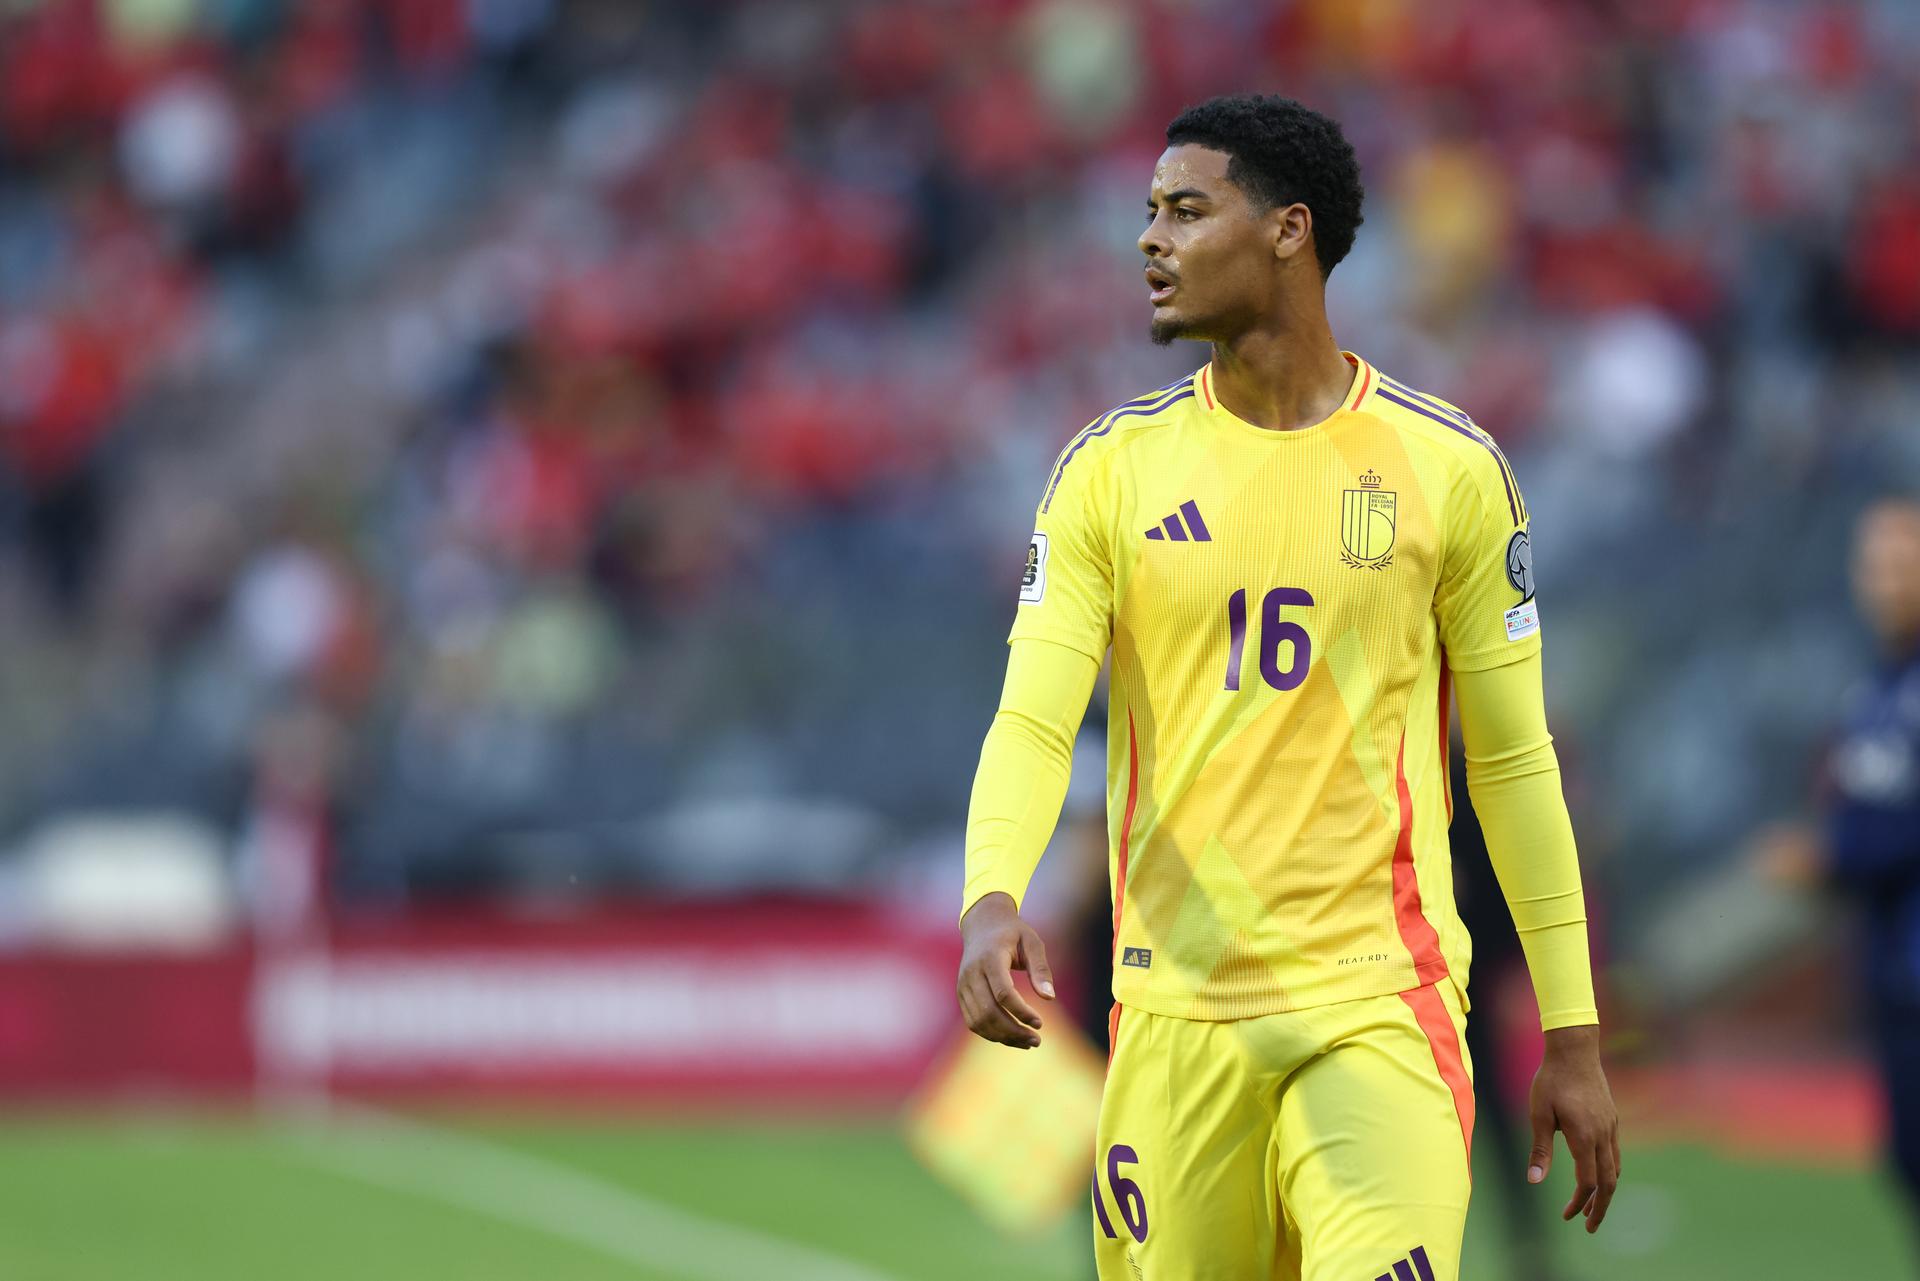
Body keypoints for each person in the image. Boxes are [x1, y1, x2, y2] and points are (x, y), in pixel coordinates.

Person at [953, 95, 1618, 1281]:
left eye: (1187, 210)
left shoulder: (1450, 469)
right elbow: (1035, 716)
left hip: (1379, 1000)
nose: (1150, 239)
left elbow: (1511, 763)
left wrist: (1570, 1030)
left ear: (1287, 231)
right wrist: (990, 893)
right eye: (1149, 213)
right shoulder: (1108, 474)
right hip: (1170, 1015)